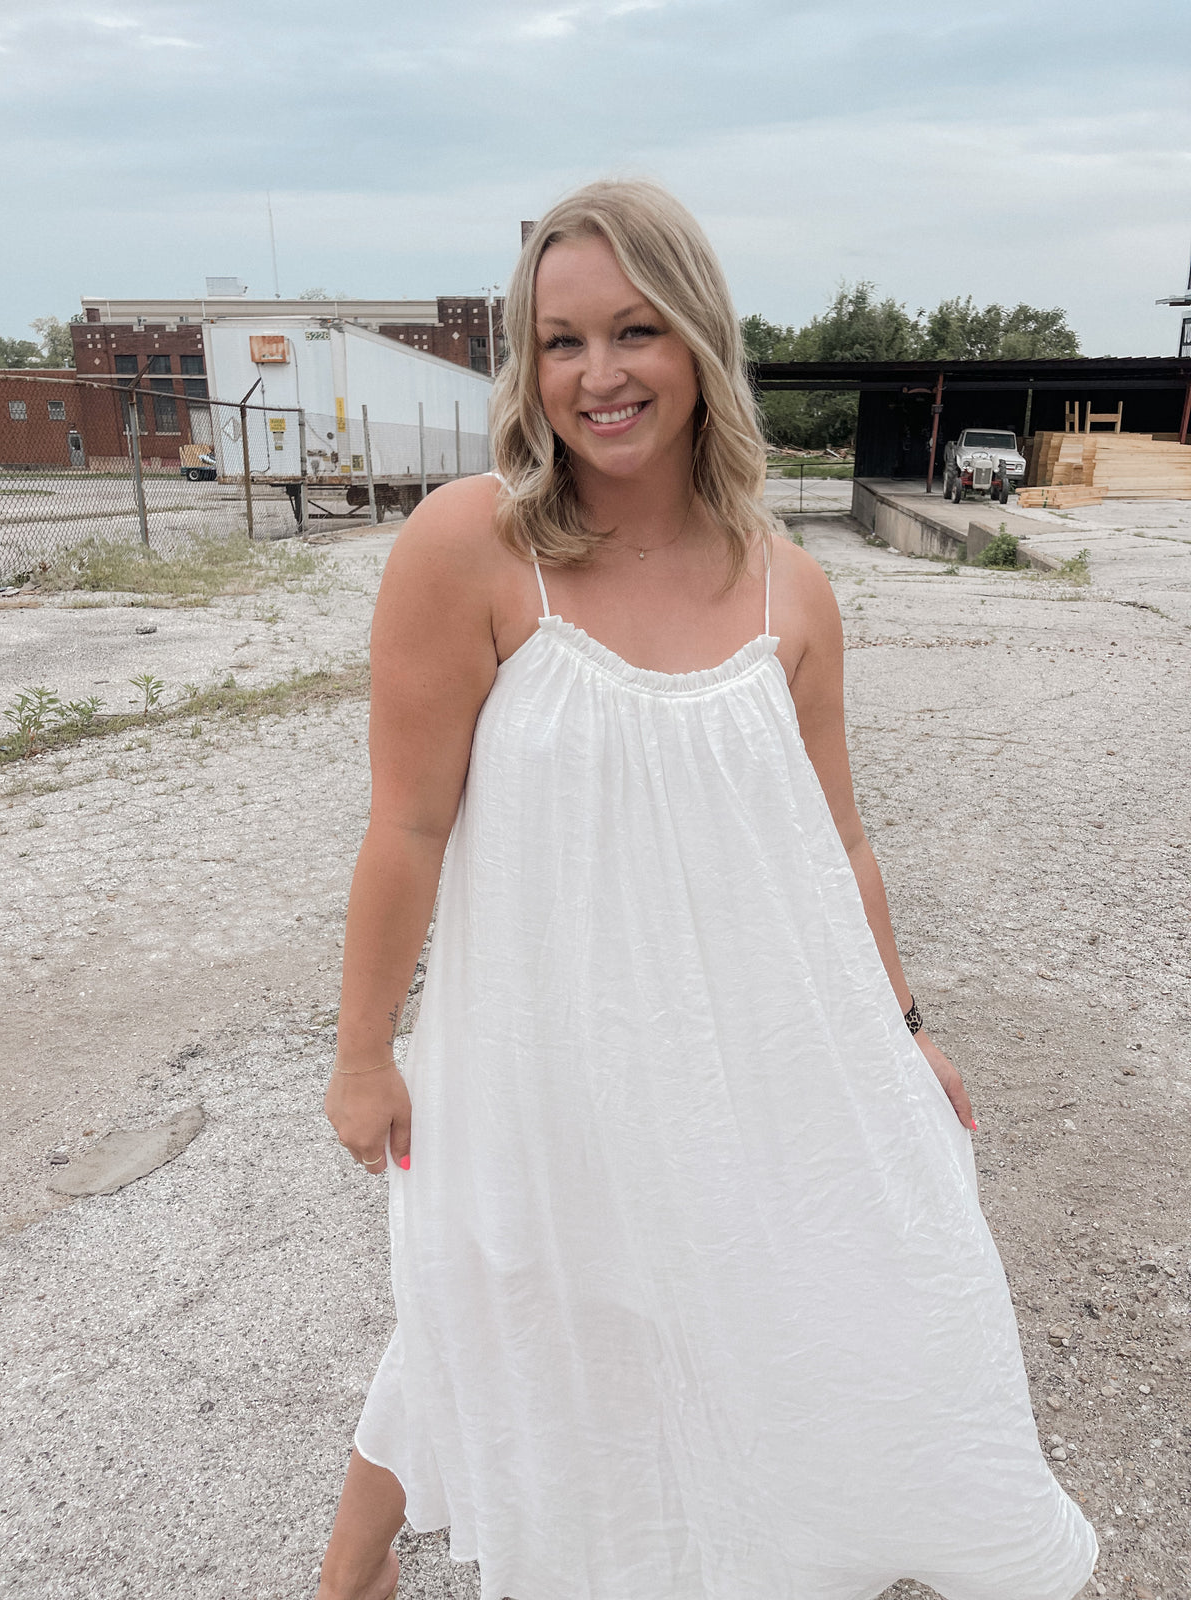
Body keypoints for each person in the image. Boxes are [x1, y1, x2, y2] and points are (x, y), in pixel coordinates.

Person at [317, 180, 1098, 1600]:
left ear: (699, 342)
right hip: (531, 1061)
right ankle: (351, 1578)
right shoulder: (473, 548)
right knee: (479, 1308)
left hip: (728, 1062)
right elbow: (410, 823)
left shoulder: (790, 592)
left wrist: (904, 1025)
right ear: (526, 363)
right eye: (560, 343)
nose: (599, 377)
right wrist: (365, 1051)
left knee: (789, 1308)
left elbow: (839, 841)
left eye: (634, 331)